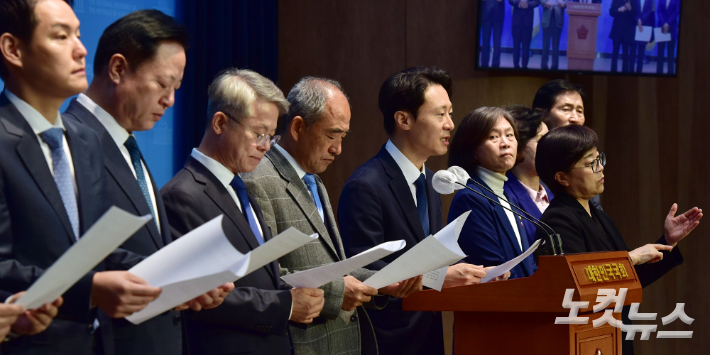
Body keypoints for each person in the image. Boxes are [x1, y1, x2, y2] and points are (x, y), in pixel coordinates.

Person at [62, 10, 232, 354]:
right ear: (118, 69)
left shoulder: (130, 145)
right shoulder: (65, 139)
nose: (169, 100)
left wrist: (184, 284)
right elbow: (71, 256)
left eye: (176, 88)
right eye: (162, 84)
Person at [0, 1, 164, 353]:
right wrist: (87, 289)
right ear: (13, 49)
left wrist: (180, 278)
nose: (81, 48)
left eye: (78, 33)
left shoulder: (85, 140)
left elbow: (97, 249)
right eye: (61, 36)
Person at [244, 77, 422, 355]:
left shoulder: (313, 179)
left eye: (343, 137)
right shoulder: (258, 179)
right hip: (300, 343)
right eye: (331, 135)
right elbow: (263, 276)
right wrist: (337, 290)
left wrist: (383, 281)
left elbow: (333, 265)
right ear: (298, 127)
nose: (338, 149)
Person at [161, 69, 325, 355]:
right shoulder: (182, 196)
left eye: (271, 136)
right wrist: (285, 305)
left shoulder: (238, 185)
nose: (265, 147)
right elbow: (201, 296)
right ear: (220, 123)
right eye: (258, 133)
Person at [338, 67, 489, 355]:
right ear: (404, 119)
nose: (450, 124)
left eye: (450, 113)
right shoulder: (366, 185)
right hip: (387, 340)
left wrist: (480, 275)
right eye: (440, 114)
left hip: (427, 336)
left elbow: (427, 257)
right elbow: (364, 270)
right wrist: (441, 276)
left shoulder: (431, 181)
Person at [535, 125, 701, 355]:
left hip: (613, 333)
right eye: (590, 162)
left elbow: (628, 279)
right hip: (584, 339)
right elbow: (573, 287)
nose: (600, 166)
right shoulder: (557, 220)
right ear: (562, 177)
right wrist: (630, 258)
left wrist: (667, 242)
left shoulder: (599, 216)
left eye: (599, 157)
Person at [448, 107, 536, 279]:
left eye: (510, 135)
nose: (505, 143)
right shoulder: (470, 198)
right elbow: (493, 266)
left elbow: (526, 264)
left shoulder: (506, 195)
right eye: (493, 137)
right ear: (472, 149)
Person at [532, 79, 603, 210]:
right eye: (566, 109)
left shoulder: (587, 167)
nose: (575, 119)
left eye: (580, 111)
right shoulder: (529, 164)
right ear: (540, 114)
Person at [503, 106, 553, 246]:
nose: (551, 147)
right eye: (541, 141)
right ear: (517, 148)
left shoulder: (555, 194)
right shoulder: (503, 198)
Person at [509, 0, 540, 69]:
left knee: (526, 45)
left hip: (528, 21)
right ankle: (515, 65)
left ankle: (524, 66)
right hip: (517, 21)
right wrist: (519, 4)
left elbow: (537, 2)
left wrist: (527, 4)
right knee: (516, 44)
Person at [609, 0, 638, 73]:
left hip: (627, 32)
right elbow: (611, 12)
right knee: (615, 54)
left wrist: (630, 9)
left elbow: (635, 15)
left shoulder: (633, 1)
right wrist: (618, 9)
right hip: (617, 31)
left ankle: (625, 74)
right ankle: (613, 73)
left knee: (625, 54)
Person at [540, 0, 566, 70]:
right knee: (545, 45)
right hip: (546, 20)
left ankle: (554, 67)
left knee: (555, 46)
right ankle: (544, 66)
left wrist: (564, 4)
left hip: (558, 20)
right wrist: (545, 4)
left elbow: (567, 1)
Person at [656, 0, 680, 74]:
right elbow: (658, 10)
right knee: (660, 52)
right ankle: (659, 73)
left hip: (672, 27)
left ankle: (670, 73)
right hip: (662, 27)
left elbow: (676, 11)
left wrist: (668, 23)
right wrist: (664, 23)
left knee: (671, 53)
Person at [479, 0, 506, 68]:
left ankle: (495, 65)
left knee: (497, 43)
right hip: (486, 13)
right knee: (485, 41)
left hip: (498, 13)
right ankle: (484, 64)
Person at [634, 0, 654, 73]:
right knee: (633, 48)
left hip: (645, 26)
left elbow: (649, 11)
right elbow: (634, 10)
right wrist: (638, 20)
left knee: (641, 50)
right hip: (635, 25)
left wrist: (641, 21)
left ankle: (639, 71)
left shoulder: (650, 0)